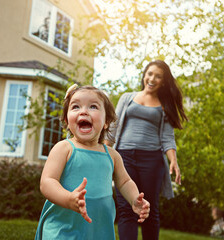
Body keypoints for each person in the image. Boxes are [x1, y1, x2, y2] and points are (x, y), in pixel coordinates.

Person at [35, 85, 150, 240]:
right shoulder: (64, 148)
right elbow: (47, 182)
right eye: (75, 106)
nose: (83, 111)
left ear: (106, 122)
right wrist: (68, 199)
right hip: (63, 230)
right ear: (67, 121)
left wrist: (134, 199)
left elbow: (124, 182)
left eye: (93, 106)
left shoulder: (112, 155)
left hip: (98, 232)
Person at [105, 60, 188, 240]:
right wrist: (103, 152)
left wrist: (173, 160)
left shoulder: (165, 106)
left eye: (158, 76)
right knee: (127, 208)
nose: (152, 78)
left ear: (164, 82)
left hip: (152, 160)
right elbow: (113, 127)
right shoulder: (127, 98)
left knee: (149, 210)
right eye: (150, 73)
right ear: (144, 74)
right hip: (124, 157)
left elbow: (167, 137)